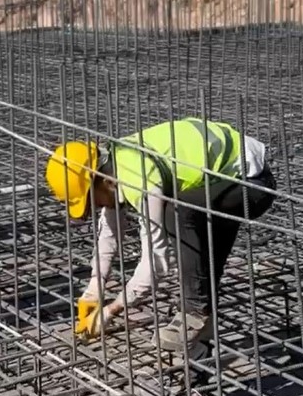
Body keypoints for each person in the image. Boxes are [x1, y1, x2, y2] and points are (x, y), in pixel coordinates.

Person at [44, 118, 278, 352]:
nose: (96, 208)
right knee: (202, 267)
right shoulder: (116, 165)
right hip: (219, 182)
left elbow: (155, 263)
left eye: (93, 201)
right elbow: (110, 232)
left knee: (178, 214)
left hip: (251, 184)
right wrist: (94, 289)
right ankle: (201, 345)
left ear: (104, 182)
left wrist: (111, 310)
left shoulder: (141, 178)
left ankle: (195, 313)